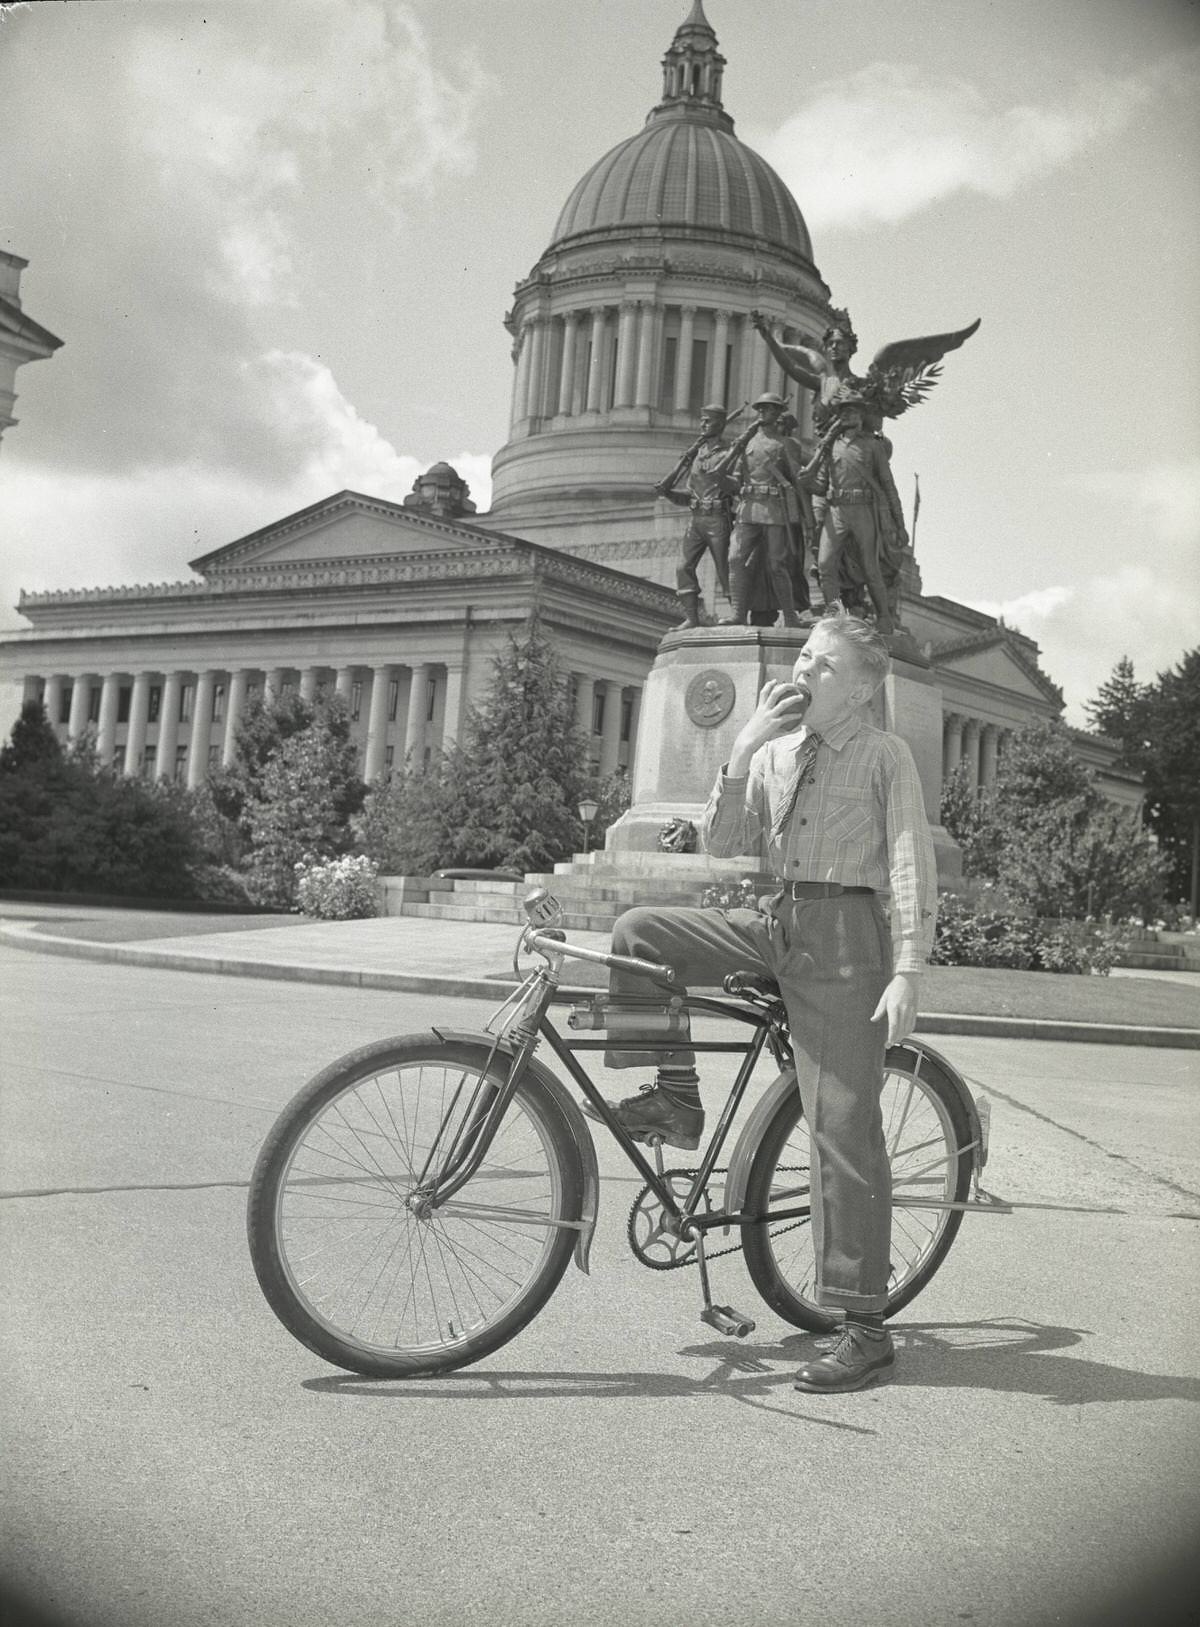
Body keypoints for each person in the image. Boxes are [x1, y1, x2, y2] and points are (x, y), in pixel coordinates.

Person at [586, 611, 937, 1393]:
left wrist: (908, 967)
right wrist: (741, 750)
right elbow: (723, 843)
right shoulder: (775, 751)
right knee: (640, 931)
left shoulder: (884, 755)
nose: (804, 673)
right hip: (774, 920)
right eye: (805, 657)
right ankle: (678, 1099)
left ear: (858, 692)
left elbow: (910, 860)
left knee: (842, 1123)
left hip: (847, 938)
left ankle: (865, 1325)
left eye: (824, 667)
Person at [817, 392, 908, 635]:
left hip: (862, 509)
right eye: (845, 412)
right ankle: (834, 613)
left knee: (870, 566)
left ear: (861, 416)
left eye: (854, 411)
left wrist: (900, 524)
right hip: (836, 509)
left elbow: (888, 485)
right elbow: (819, 483)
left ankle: (884, 617)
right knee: (825, 564)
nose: (849, 415)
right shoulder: (831, 445)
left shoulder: (872, 446)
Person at [719, 392, 808, 626]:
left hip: (774, 511)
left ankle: (790, 616)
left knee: (777, 564)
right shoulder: (746, 443)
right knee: (735, 558)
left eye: (767, 409)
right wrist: (719, 478)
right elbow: (737, 479)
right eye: (760, 408)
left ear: (777, 413)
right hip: (748, 509)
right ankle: (738, 614)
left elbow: (797, 480)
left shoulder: (785, 444)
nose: (761, 412)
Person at [655, 403, 736, 629]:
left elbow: (737, 487)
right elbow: (690, 494)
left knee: (724, 570)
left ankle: (738, 615)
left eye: (707, 421)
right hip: (697, 519)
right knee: (683, 567)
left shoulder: (729, 454)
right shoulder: (697, 455)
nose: (702, 424)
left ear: (719, 424)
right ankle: (692, 617)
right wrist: (669, 493)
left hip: (718, 518)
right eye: (701, 420)